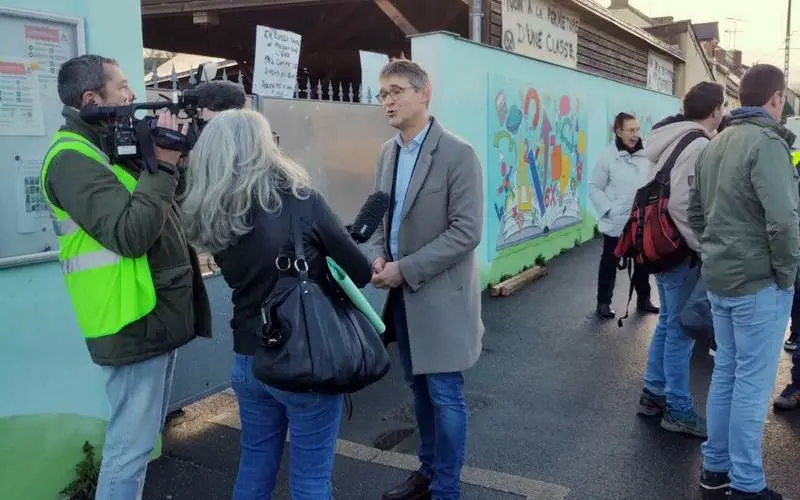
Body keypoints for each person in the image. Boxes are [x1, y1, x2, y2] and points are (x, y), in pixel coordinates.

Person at [41, 54, 212, 499]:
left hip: (150, 312)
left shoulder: (108, 147)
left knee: (139, 443)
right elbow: (130, 234)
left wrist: (175, 156)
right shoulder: (71, 159)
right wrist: (167, 161)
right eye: (121, 87)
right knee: (130, 448)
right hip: (128, 317)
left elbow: (161, 208)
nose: (132, 95)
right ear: (92, 99)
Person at [180, 108, 372, 500]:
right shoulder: (302, 201)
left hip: (249, 360)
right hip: (306, 359)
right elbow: (361, 272)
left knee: (254, 463)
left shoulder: (213, 214)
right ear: (263, 147)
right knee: (311, 478)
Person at [363, 59, 484, 500]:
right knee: (418, 387)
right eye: (382, 94)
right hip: (401, 297)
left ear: (424, 92)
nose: (388, 101)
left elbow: (466, 231)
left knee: (446, 394)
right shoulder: (386, 153)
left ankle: (446, 489)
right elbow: (379, 215)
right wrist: (379, 257)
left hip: (441, 298)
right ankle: (428, 473)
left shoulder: (457, 153)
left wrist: (405, 268)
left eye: (396, 91)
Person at [689, 64, 800, 500]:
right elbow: (785, 223)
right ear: (775, 98)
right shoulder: (767, 144)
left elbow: (696, 213)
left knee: (728, 375)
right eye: (784, 99)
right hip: (759, 284)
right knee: (752, 385)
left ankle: (715, 469)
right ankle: (748, 486)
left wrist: (715, 252)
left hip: (721, 280)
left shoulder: (715, 144)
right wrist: (787, 274)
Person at [636, 82, 725, 439]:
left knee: (670, 323)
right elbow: (684, 204)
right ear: (716, 110)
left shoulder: (669, 136)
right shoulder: (697, 143)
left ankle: (652, 394)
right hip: (679, 250)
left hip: (659, 246)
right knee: (680, 331)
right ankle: (677, 408)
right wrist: (704, 247)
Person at [589, 112, 659, 319]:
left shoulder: (648, 153)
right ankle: (603, 303)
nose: (636, 134)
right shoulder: (608, 155)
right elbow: (594, 187)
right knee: (609, 262)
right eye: (631, 130)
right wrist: (609, 210)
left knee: (643, 262)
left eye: (637, 129)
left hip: (641, 220)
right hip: (617, 221)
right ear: (619, 132)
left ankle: (644, 300)